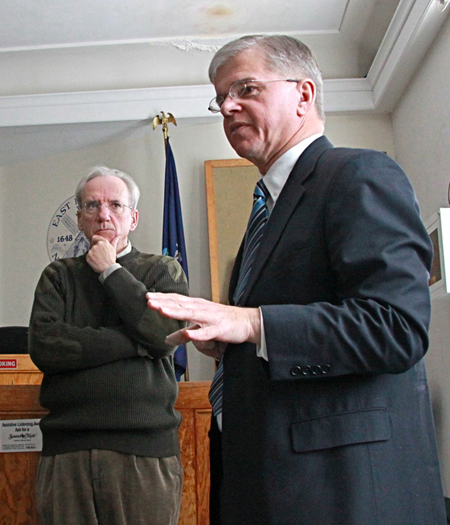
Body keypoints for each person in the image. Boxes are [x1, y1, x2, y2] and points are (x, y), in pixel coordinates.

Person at [146, 35, 447, 524]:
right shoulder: (265, 208)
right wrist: (232, 345)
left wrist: (253, 325)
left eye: (245, 88)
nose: (227, 106)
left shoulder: (358, 174)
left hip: (343, 494)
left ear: (304, 94)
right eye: (220, 97)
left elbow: (397, 327)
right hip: (266, 484)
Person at [29, 166, 188, 525]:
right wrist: (137, 342)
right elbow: (46, 347)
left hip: (144, 453)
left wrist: (111, 273)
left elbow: (164, 334)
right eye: (92, 205)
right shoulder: (58, 277)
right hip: (67, 453)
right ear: (80, 218)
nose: (103, 213)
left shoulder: (163, 270)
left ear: (132, 218)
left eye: (115, 205)